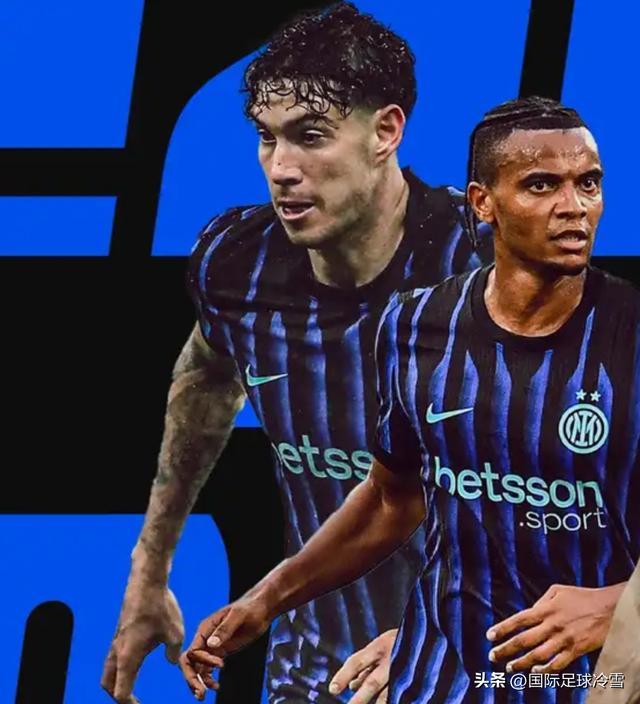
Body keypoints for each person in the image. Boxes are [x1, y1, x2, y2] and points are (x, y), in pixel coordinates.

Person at [182, 96, 640, 703]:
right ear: (483, 203)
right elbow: (389, 498)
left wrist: (618, 604)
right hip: (444, 676)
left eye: (589, 184)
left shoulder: (630, 338)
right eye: (541, 185)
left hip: (598, 679)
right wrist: (263, 602)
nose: (574, 206)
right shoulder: (414, 325)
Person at [101, 3, 489, 703]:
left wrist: (444, 635)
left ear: (386, 131)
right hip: (313, 672)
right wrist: (148, 571)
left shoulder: (490, 264)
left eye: (310, 136)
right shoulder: (237, 265)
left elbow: (584, 492)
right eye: (266, 137)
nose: (281, 168)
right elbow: (206, 380)